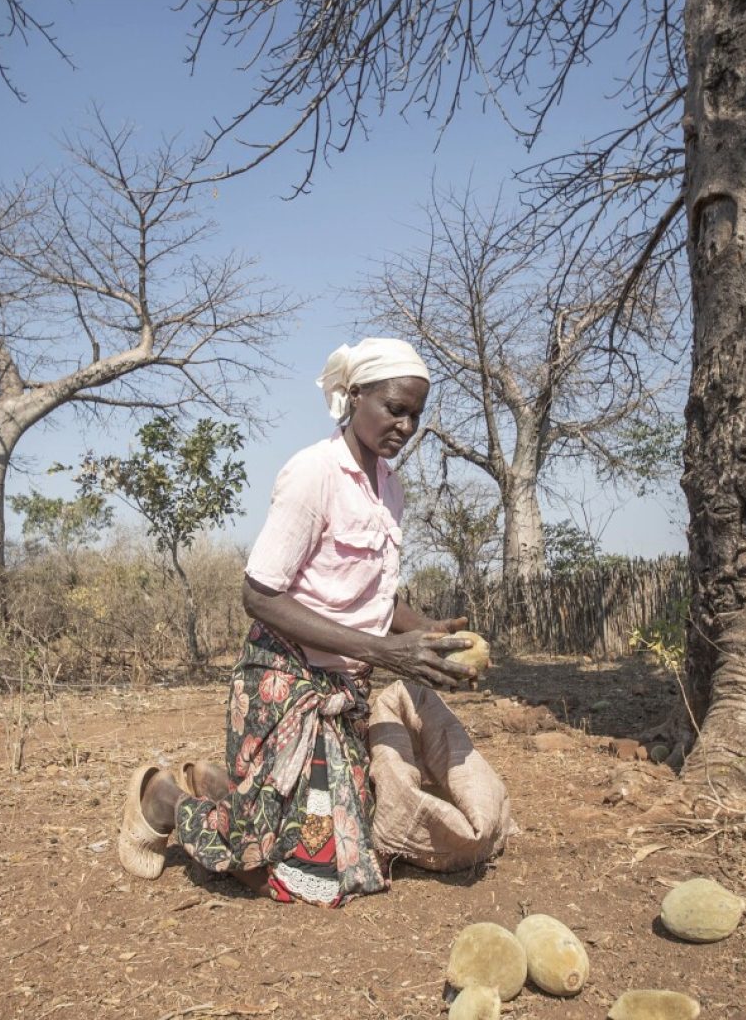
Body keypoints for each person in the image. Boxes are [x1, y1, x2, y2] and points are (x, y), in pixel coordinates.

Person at [118, 337, 477, 906]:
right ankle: (161, 799)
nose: (406, 426)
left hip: (342, 696)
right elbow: (259, 595)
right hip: (282, 685)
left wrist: (430, 632)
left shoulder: (390, 490)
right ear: (354, 397)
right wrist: (386, 653)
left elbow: (370, 597)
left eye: (416, 414)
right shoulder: (313, 474)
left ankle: (230, 788)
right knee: (306, 878)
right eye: (395, 408)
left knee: (361, 856)